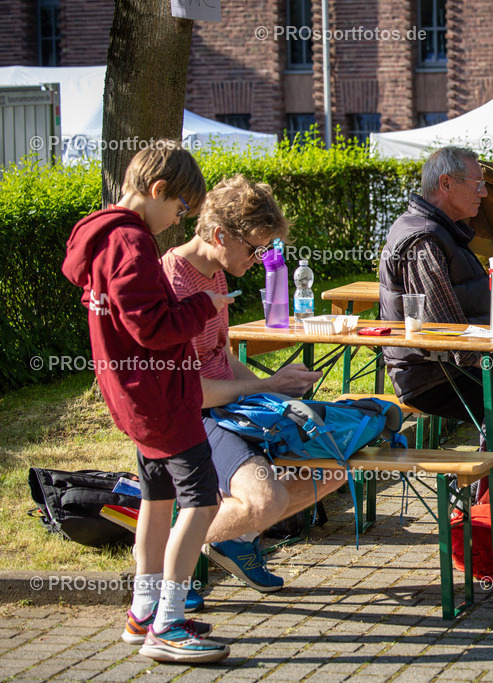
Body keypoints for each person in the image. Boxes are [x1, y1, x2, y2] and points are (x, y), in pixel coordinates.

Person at [61, 142, 231, 663]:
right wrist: (203, 305)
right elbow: (152, 328)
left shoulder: (102, 236)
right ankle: (169, 624)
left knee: (157, 502)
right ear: (160, 191)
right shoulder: (132, 243)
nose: (178, 222)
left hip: (135, 396)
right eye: (180, 210)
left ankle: (142, 613)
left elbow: (132, 315)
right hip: (161, 397)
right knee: (202, 502)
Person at [161, 175, 347, 593]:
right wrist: (267, 386)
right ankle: (166, 566)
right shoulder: (175, 284)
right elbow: (193, 390)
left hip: (227, 409)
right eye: (255, 249)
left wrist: (274, 389)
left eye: (268, 249)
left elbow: (220, 357)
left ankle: (237, 539)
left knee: (334, 464)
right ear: (220, 235)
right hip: (193, 416)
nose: (263, 260)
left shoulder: (214, 273)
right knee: (267, 499)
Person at [378, 146, 493, 422]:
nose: (483, 192)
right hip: (434, 377)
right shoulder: (424, 238)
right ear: (446, 183)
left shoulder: (438, 230)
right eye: (478, 184)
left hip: (447, 369)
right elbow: (445, 330)